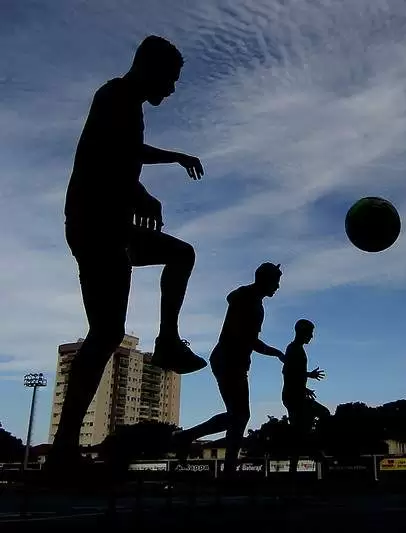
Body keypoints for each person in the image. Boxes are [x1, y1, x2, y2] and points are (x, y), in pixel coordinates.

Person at [50, 36, 207, 473]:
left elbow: (119, 158)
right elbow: (108, 155)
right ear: (149, 68)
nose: (173, 89)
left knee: (175, 260)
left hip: (108, 225)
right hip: (96, 225)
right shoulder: (115, 94)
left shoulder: (127, 105)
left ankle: (168, 343)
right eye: (171, 79)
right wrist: (151, 180)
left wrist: (141, 191)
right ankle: (62, 452)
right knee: (105, 333)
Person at [171, 262, 284, 477]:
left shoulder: (250, 299)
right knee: (240, 416)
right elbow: (250, 340)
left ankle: (191, 441)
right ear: (265, 279)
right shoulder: (250, 302)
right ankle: (225, 467)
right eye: (276, 281)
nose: (277, 287)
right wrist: (276, 353)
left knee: (238, 416)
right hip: (229, 360)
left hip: (231, 361)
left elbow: (244, 330)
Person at [280, 319, 329, 479]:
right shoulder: (293, 349)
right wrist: (305, 379)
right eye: (310, 333)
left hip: (295, 395)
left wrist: (305, 383)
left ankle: (308, 451)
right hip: (294, 397)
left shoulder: (296, 349)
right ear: (303, 332)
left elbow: (292, 373)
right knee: (323, 414)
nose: (312, 336)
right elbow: (287, 372)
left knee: (299, 432)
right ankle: (314, 450)